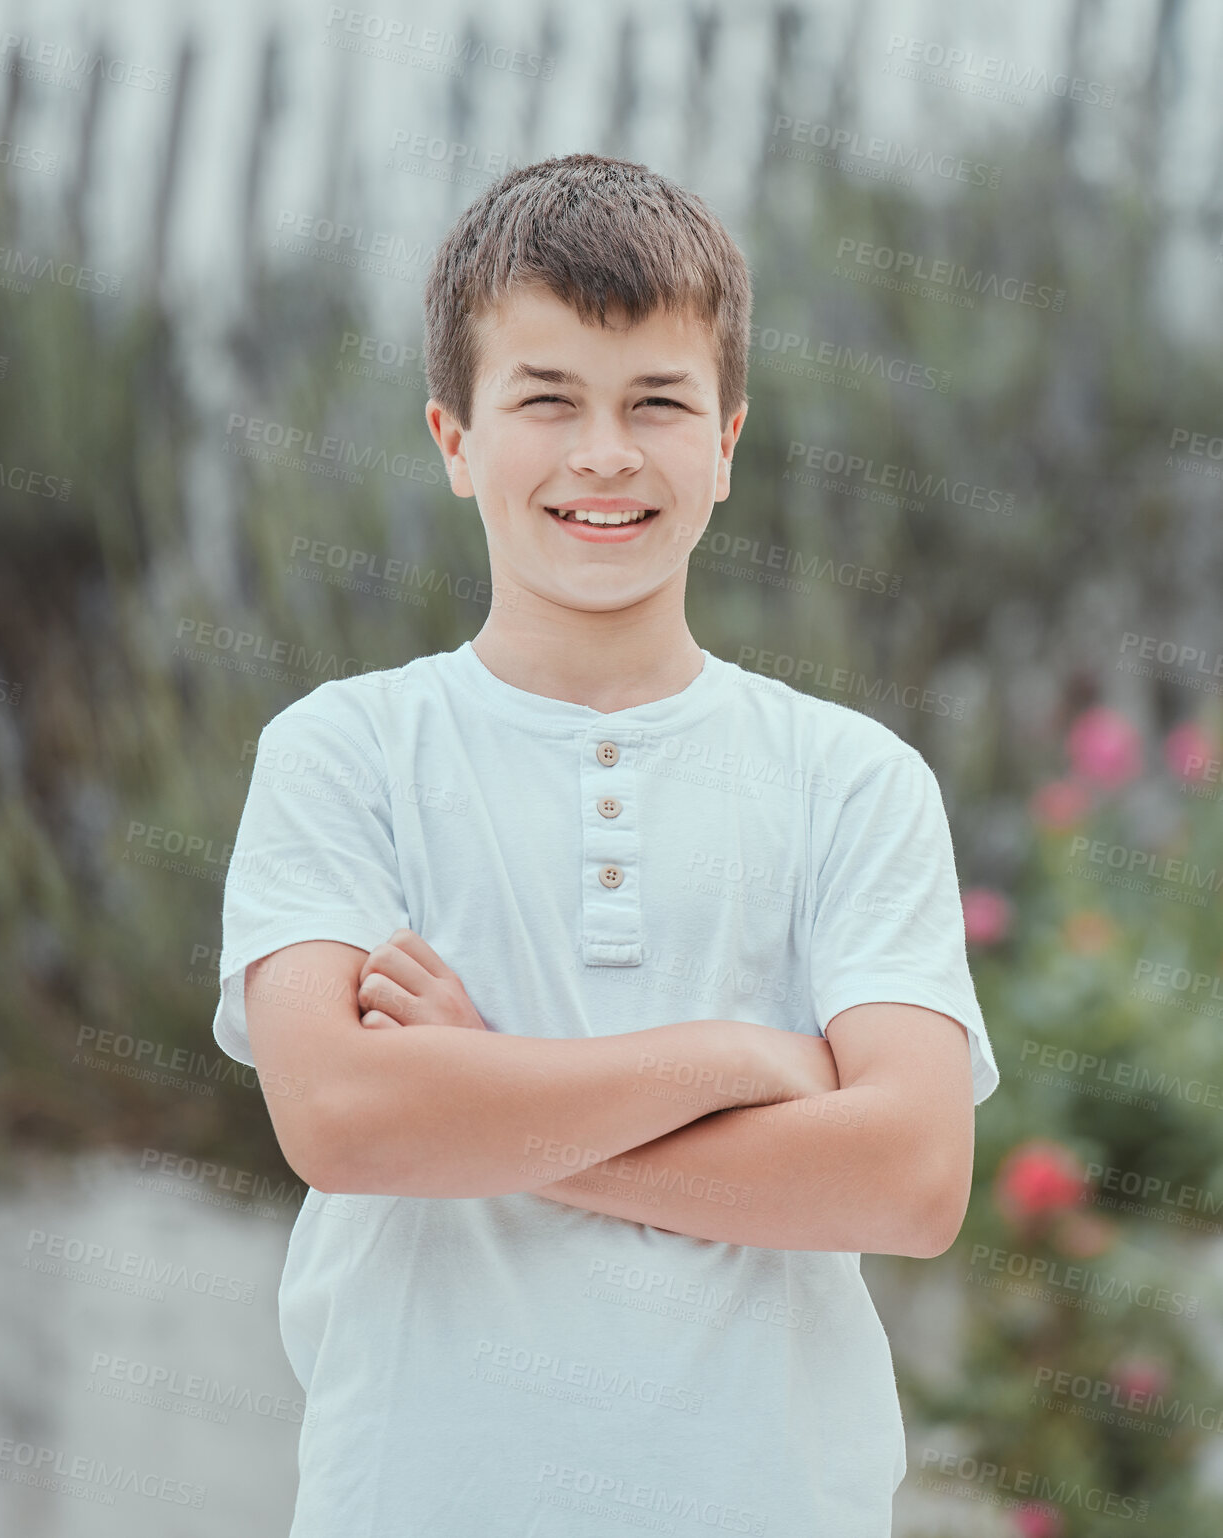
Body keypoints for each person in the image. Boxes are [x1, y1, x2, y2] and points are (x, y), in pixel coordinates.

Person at [212, 151, 1000, 1538]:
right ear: (454, 441)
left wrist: (481, 1096)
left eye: (656, 401)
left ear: (726, 442)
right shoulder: (346, 753)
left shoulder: (851, 780)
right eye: (546, 398)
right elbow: (342, 1119)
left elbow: (911, 1175)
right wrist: (737, 1063)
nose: (603, 453)